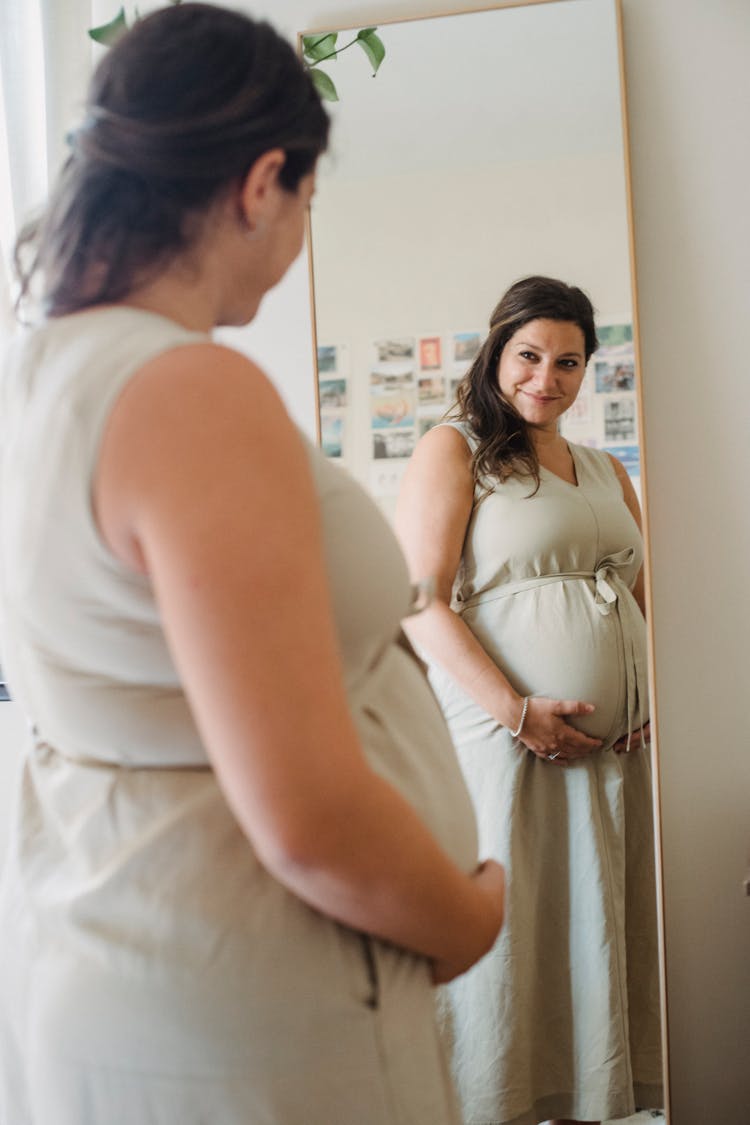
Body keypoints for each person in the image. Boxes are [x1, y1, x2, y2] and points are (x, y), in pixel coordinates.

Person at [0, 6, 505, 1123]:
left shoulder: (45, 373)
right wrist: (465, 923)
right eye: (307, 205)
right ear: (262, 180)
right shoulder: (186, 391)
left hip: (132, 950)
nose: (297, 240)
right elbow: (308, 813)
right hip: (255, 994)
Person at [395, 276, 663, 1125]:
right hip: (505, 735)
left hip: (617, 752)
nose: (548, 377)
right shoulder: (456, 448)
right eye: (530, 356)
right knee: (523, 935)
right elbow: (420, 601)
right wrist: (518, 711)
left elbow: (645, 592)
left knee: (596, 928)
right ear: (497, 350)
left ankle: (587, 1103)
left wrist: (653, 692)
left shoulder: (603, 466)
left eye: (570, 361)